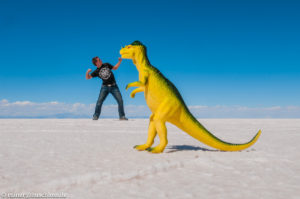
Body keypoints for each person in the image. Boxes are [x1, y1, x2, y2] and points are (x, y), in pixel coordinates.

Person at [86, 56, 128, 120]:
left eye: (100, 59)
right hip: (104, 87)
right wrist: (87, 72)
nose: (101, 60)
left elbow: (115, 68)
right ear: (96, 63)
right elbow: (88, 77)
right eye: (99, 60)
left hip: (114, 86)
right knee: (99, 102)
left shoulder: (106, 65)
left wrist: (119, 61)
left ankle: (122, 116)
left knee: (120, 101)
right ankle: (95, 116)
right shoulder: (96, 71)